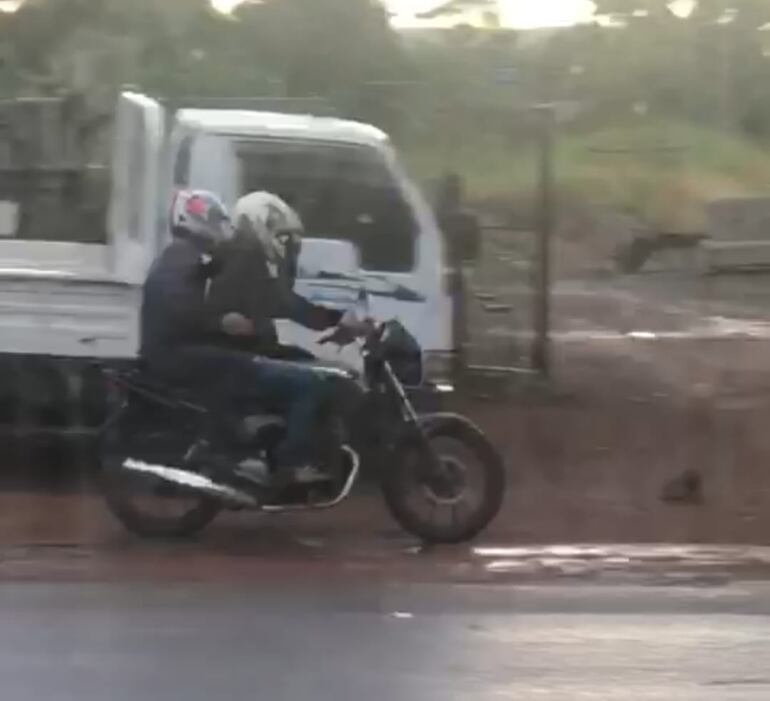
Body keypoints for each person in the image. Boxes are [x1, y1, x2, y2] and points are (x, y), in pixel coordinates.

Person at [139, 189, 342, 488]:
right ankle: (287, 464)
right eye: (282, 237)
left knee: (295, 368)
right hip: (182, 354)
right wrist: (221, 321)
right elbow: (275, 302)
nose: (288, 247)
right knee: (306, 381)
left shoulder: (197, 256)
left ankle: (267, 447)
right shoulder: (208, 257)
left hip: (185, 348)